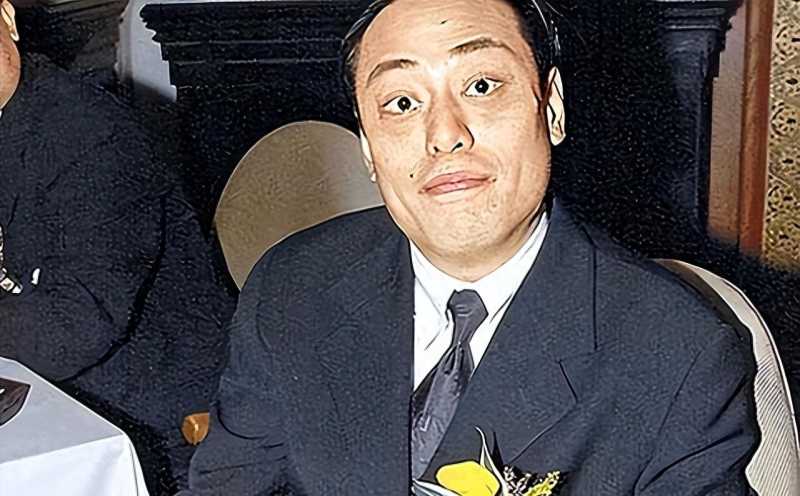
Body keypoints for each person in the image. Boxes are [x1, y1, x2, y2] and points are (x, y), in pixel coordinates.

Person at [182, 0, 760, 494]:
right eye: (402, 103)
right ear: (368, 149)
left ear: (551, 108)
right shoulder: (291, 288)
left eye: (481, 86)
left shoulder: (675, 352)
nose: (445, 134)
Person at [0, 2, 235, 493]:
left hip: (151, 426)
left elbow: (74, 325)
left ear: (8, 19)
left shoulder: (86, 130)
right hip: (52, 391)